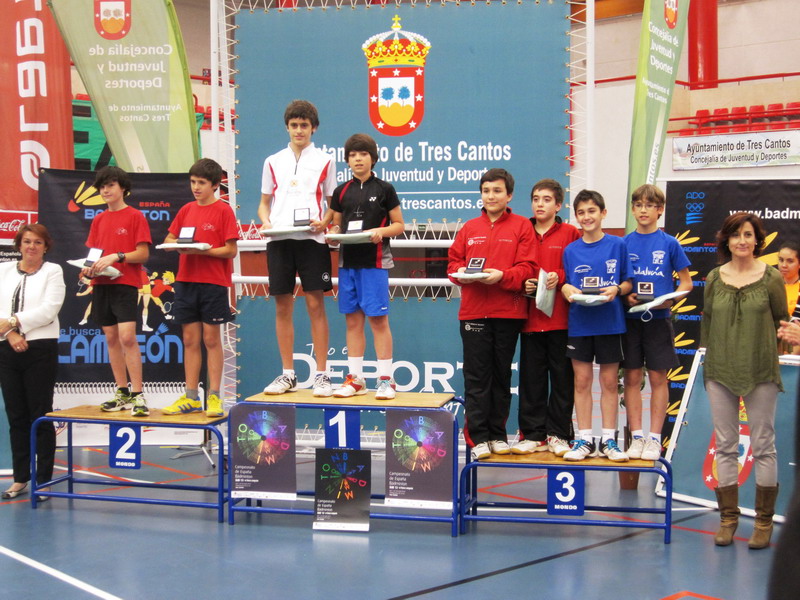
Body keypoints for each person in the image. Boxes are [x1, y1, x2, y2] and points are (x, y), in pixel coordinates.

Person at [701, 211, 786, 548]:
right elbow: (706, 323)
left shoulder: (772, 278)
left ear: (757, 240)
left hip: (761, 370)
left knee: (764, 446)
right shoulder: (713, 278)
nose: (741, 241)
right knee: (725, 445)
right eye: (735, 234)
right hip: (720, 371)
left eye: (748, 235)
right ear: (726, 239)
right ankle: (728, 519)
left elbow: (782, 323)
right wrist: (709, 363)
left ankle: (763, 524)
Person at [447, 168, 536, 461]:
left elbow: (527, 268)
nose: (491, 196)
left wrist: (502, 276)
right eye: (486, 191)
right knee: (477, 377)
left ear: (509, 195)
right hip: (473, 312)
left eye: (497, 191)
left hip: (508, 313)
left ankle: (498, 434)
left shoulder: (522, 226)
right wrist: (461, 275)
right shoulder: (469, 228)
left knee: (500, 376)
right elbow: (452, 265)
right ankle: (479, 438)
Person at [258, 100, 337, 397]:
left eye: (304, 125)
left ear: (313, 128)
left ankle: (322, 374)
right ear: (287, 127)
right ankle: (287, 374)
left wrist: (324, 222)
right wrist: (266, 223)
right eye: (294, 125)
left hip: (312, 241)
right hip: (278, 240)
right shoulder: (272, 161)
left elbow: (333, 206)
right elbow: (264, 204)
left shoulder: (325, 160)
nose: (299, 130)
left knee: (316, 305)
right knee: (282, 306)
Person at [328, 134, 404, 399]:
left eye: (363, 154)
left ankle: (386, 380)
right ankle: (356, 379)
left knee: (378, 320)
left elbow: (399, 225)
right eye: (352, 155)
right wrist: (333, 233)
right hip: (348, 263)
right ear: (347, 159)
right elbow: (337, 224)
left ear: (373, 158)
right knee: (352, 321)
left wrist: (380, 232)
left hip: (374, 263)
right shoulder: (341, 191)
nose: (357, 159)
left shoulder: (385, 188)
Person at [161, 158, 239, 417]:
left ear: (215, 185)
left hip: (213, 282)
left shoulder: (224, 211)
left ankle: (215, 396)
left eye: (202, 183)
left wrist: (205, 250)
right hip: (186, 280)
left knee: (210, 339)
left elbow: (231, 249)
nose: (196, 187)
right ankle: (191, 396)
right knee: (190, 339)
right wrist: (177, 246)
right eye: (193, 182)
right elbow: (169, 238)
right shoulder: (186, 210)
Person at [561, 189, 632, 462]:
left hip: (610, 323)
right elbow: (566, 283)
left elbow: (628, 282)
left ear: (603, 213)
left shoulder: (618, 245)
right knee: (581, 381)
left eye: (592, 211)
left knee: (610, 382)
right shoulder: (571, 250)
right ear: (576, 217)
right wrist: (567, 287)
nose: (587, 217)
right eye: (581, 212)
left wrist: (616, 288)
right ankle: (585, 439)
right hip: (580, 323)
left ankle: (609, 441)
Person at [622, 184, 692, 460]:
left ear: (659, 210)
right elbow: (622, 283)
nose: (643, 210)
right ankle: (637, 437)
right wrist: (626, 297)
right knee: (631, 377)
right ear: (632, 209)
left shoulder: (670, 243)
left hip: (659, 318)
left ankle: (654, 439)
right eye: (638, 205)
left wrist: (669, 300)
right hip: (630, 321)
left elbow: (686, 283)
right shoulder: (624, 243)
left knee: (658, 378)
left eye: (649, 205)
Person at [515, 179, 580, 456]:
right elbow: (514, 268)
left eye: (546, 199)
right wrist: (524, 284)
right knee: (532, 380)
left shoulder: (571, 233)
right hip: (529, 319)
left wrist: (561, 277)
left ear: (558, 205)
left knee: (563, 380)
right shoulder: (521, 230)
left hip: (562, 320)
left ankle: (559, 434)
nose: (540, 204)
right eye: (536, 198)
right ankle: (533, 435)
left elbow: (580, 269)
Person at [0, 224, 65, 499]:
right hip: (6, 346)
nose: (31, 247)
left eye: (38, 242)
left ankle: (43, 479)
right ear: (19, 244)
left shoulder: (53, 271)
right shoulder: (3, 271)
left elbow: (49, 310)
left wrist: (15, 322)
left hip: (40, 348)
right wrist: (11, 333)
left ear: (45, 247)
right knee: (16, 416)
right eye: (27, 241)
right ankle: (20, 478)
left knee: (40, 414)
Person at [83, 166, 151, 417]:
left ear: (122, 188)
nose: (105, 190)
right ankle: (121, 391)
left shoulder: (135, 216)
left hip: (125, 283)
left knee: (126, 337)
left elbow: (143, 253)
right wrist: (86, 270)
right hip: (101, 285)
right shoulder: (99, 219)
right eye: (102, 186)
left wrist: (117, 257)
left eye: (110, 185)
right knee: (111, 338)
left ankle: (138, 393)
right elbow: (92, 256)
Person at [777, 241, 800, 354]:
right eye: (781, 260)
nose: (784, 265)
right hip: (771, 347)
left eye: (790, 261)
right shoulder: (769, 287)